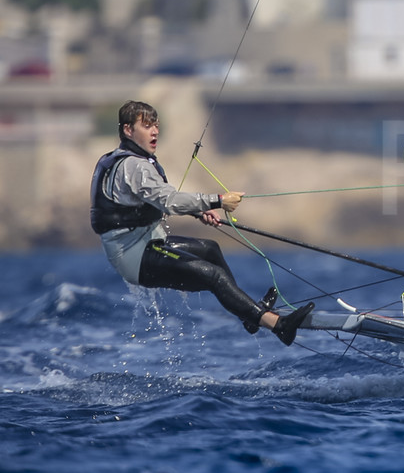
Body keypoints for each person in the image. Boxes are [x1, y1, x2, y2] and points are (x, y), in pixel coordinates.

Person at [90, 100, 312, 345]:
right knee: (213, 276)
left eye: (156, 125)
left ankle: (250, 317)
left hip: (146, 243)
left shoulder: (121, 159)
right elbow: (170, 201)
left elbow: (148, 200)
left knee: (210, 249)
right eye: (146, 126)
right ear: (127, 130)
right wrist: (216, 201)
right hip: (134, 255)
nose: (154, 131)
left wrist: (198, 211)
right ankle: (277, 325)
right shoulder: (134, 166)